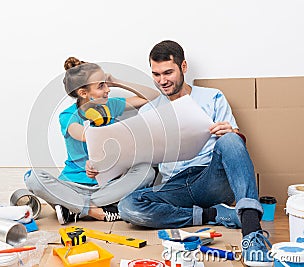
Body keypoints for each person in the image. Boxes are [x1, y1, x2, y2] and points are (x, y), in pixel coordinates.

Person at [116, 41, 273, 266]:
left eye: (168, 72)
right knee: (128, 206)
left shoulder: (213, 97)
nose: (163, 80)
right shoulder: (150, 110)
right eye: (156, 74)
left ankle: (251, 233)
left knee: (230, 139)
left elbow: (235, 146)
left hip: (209, 178)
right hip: (176, 186)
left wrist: (232, 132)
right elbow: (143, 160)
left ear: (184, 67)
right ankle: (212, 215)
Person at [25, 57, 159, 225]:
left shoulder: (110, 105)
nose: (107, 90)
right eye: (101, 86)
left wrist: (117, 82)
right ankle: (96, 212)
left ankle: (72, 207)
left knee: (147, 172)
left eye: (106, 84)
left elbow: (152, 95)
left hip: (107, 186)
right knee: (32, 178)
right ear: (83, 93)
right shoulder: (68, 116)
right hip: (74, 184)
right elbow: (82, 134)